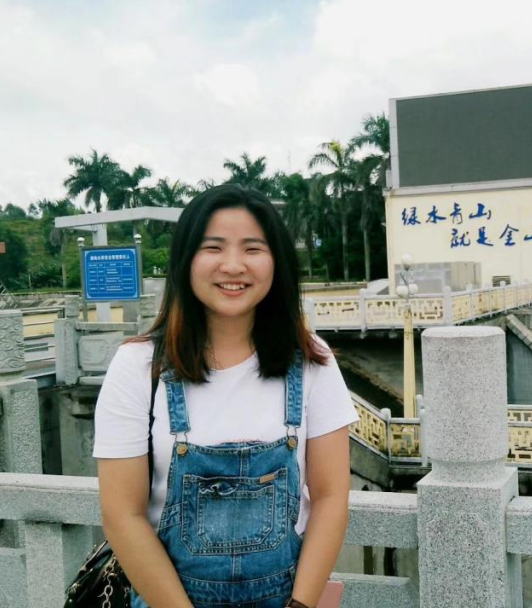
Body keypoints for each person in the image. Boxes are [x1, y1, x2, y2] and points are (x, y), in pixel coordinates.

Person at [93, 184, 359, 608]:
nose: (233, 266)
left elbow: (330, 497)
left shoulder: (312, 362)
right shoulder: (138, 367)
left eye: (253, 249)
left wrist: (300, 605)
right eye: (213, 247)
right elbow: (122, 515)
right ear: (185, 260)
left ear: (277, 263)